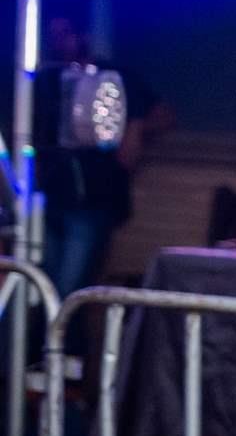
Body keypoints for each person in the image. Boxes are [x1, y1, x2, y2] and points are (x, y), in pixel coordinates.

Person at [35, 17, 173, 304]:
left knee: (69, 290)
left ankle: (65, 333)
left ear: (81, 36)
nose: (58, 42)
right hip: (51, 195)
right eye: (53, 35)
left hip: (93, 199)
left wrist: (132, 129)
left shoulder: (112, 77)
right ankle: (55, 333)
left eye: (65, 34)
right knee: (45, 286)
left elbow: (163, 116)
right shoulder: (47, 79)